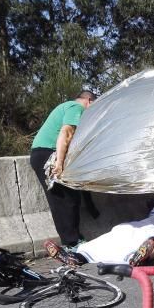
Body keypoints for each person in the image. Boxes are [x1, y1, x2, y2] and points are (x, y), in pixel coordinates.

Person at [30, 90, 97, 249]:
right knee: (63, 200)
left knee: (69, 197)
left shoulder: (65, 106)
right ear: (89, 100)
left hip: (42, 153)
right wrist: (59, 163)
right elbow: (66, 132)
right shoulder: (76, 107)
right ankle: (71, 243)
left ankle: (73, 240)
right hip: (48, 154)